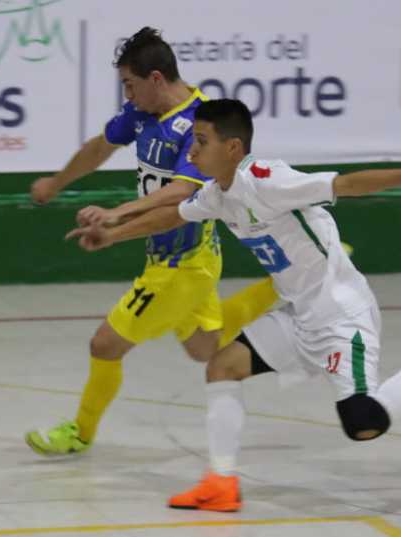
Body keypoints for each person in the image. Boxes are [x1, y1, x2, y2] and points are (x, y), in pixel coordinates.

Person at [67, 98, 401, 511]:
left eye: (201, 141)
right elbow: (175, 213)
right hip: (296, 315)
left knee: (363, 424)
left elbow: (348, 184)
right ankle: (221, 483)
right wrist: (112, 229)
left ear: (232, 148)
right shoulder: (218, 194)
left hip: (341, 314)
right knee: (222, 366)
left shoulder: (270, 181)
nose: (192, 150)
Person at [25, 31, 277, 455]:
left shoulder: (200, 125)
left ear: (156, 78)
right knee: (204, 349)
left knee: (104, 344)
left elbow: (182, 193)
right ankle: (282, 285)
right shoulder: (142, 113)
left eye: (129, 84)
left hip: (181, 265)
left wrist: (116, 216)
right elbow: (101, 146)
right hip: (188, 258)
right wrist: (57, 181)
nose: (127, 93)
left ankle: (80, 433)